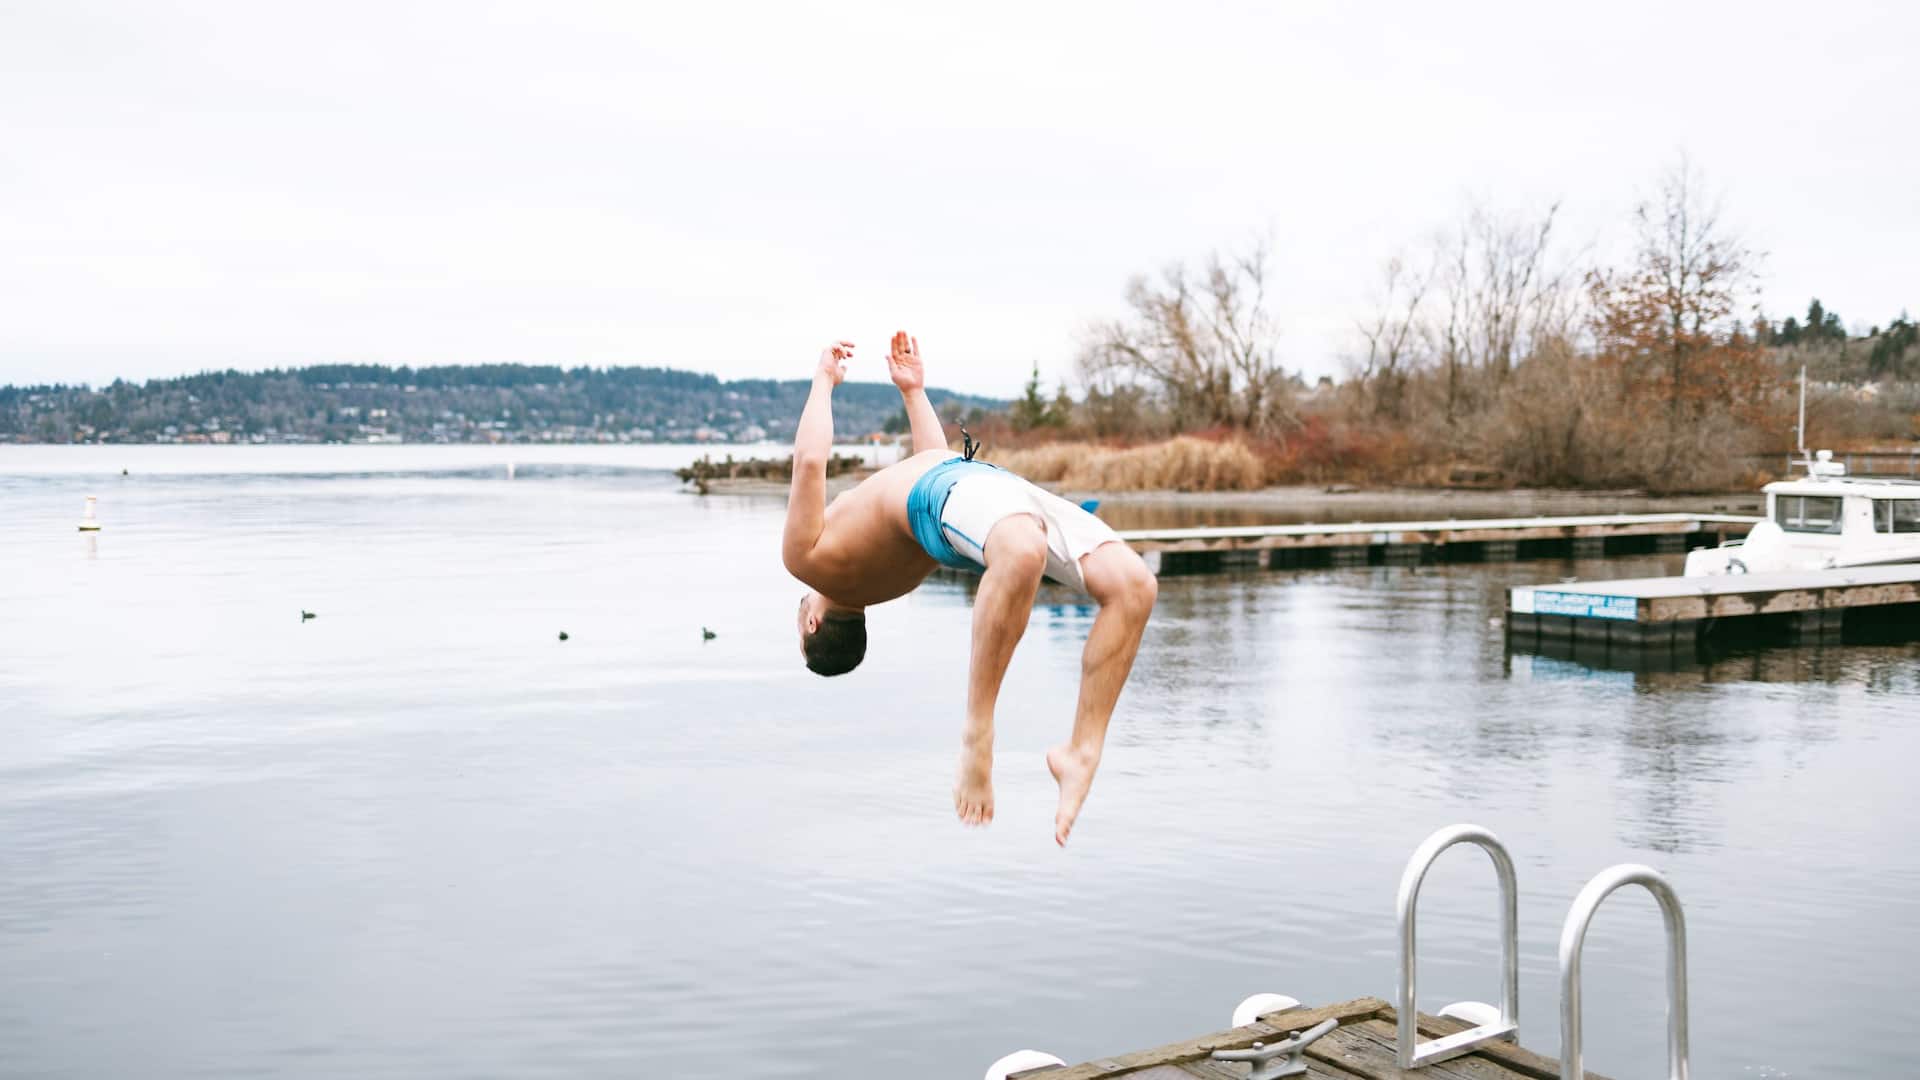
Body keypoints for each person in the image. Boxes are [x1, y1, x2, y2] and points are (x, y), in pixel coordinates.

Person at [783, 333, 1157, 846]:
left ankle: (1082, 752)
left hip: (974, 484)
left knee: (1134, 586)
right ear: (812, 622)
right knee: (1027, 549)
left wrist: (913, 392)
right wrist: (823, 380)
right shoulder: (807, 562)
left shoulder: (890, 581)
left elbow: (930, 464)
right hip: (958, 487)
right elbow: (809, 463)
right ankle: (978, 734)